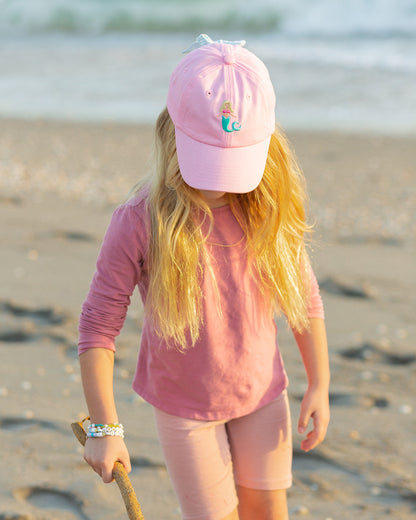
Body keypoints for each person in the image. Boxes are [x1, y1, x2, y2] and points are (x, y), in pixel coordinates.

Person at [78, 34, 330, 520]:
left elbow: (305, 299)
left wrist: (318, 382)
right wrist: (104, 429)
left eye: (232, 166)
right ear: (171, 132)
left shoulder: (266, 209)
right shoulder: (139, 221)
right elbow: (97, 327)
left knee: (266, 511)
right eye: (205, 163)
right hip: (184, 409)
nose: (218, 184)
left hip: (262, 395)